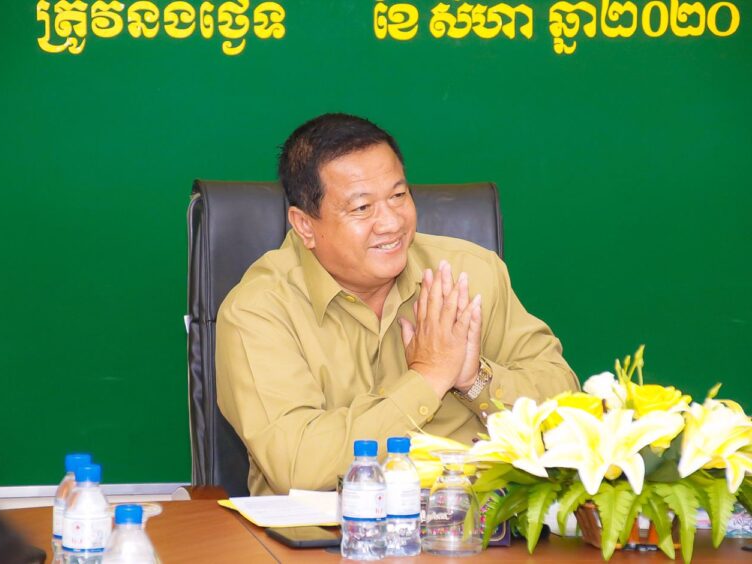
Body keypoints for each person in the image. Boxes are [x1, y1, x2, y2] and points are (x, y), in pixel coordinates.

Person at [216, 113, 579, 496]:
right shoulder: (259, 310)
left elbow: (568, 410)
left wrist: (474, 379)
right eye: (362, 208)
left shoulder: (469, 274)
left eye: (398, 196)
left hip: (471, 523)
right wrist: (429, 378)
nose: (391, 223)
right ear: (305, 225)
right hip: (326, 529)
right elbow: (298, 464)